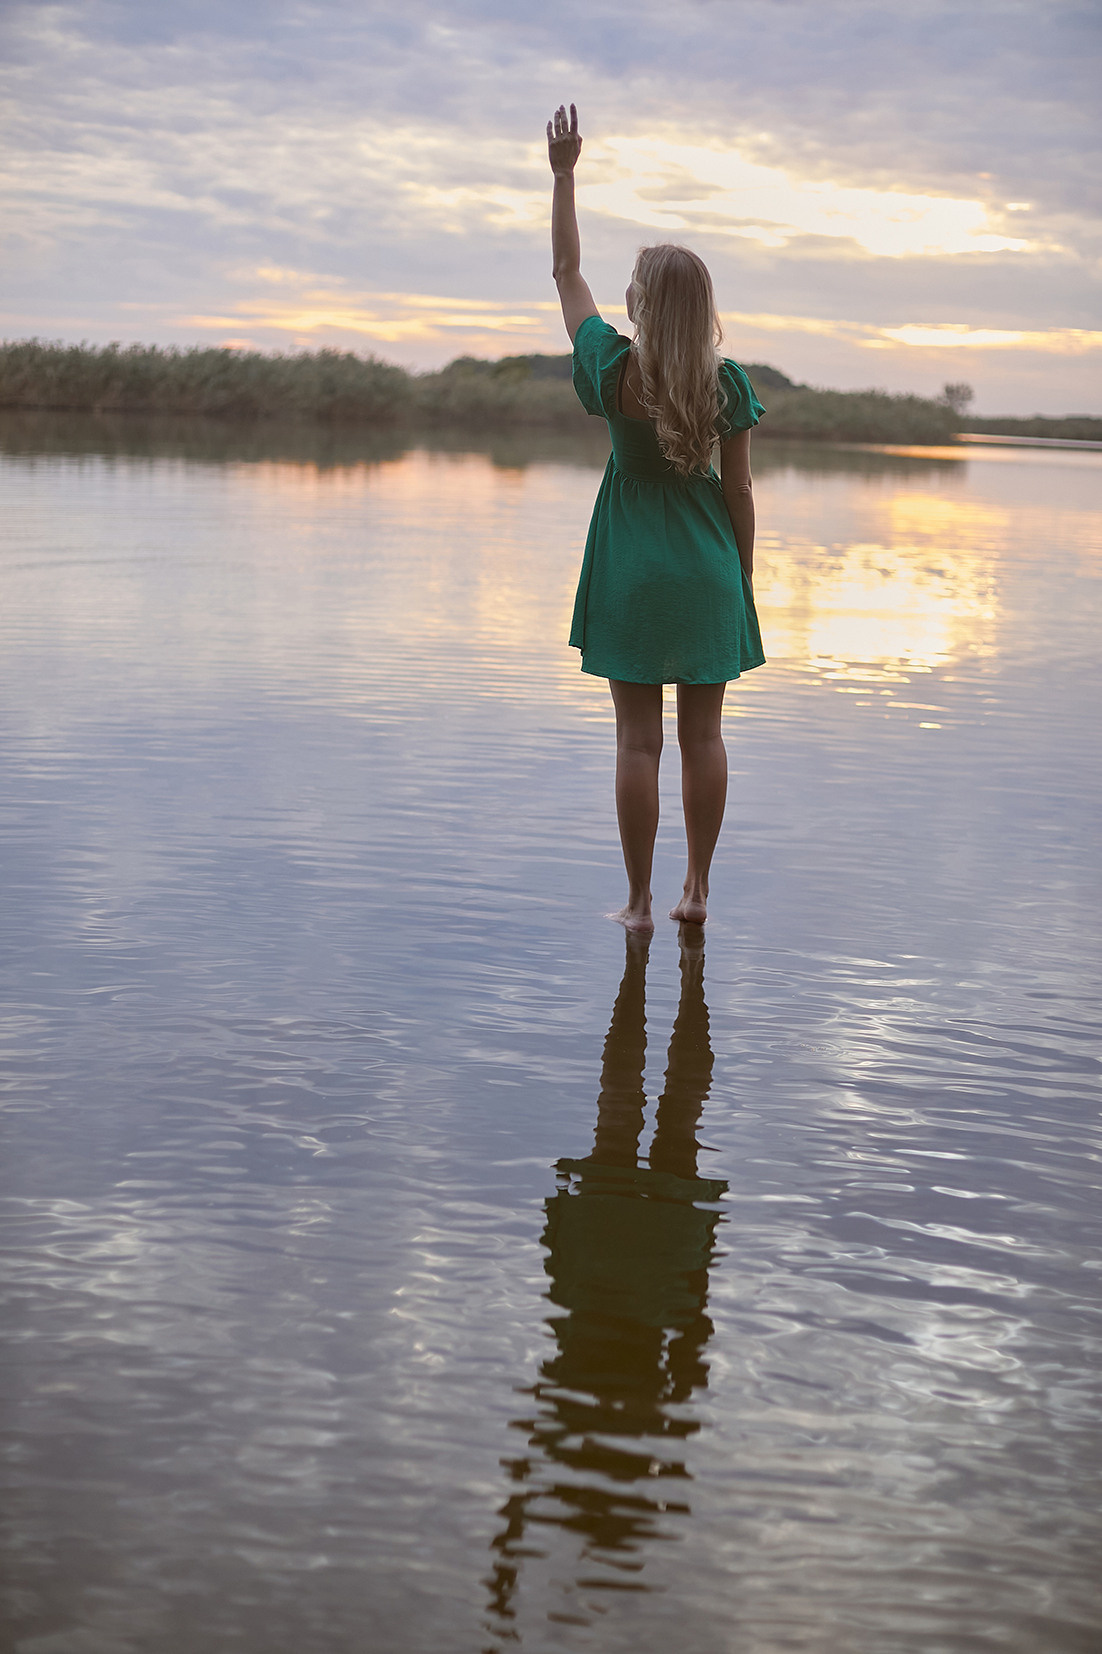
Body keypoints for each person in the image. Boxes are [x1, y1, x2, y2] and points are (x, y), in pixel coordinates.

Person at [547, 103, 766, 933]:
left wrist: (564, 176)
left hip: (632, 572)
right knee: (703, 739)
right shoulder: (727, 384)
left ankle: (639, 904)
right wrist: (740, 576)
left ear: (643, 306)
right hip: (708, 571)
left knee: (637, 743)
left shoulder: (612, 370)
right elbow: (740, 493)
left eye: (633, 284)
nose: (623, 289)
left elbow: (566, 271)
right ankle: (696, 892)